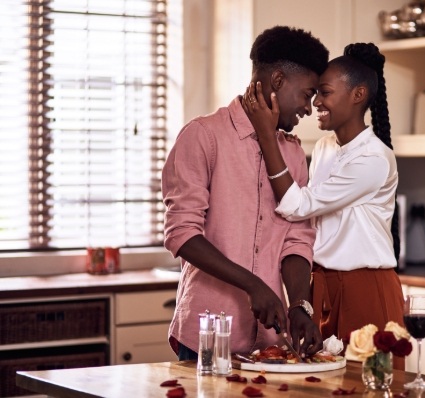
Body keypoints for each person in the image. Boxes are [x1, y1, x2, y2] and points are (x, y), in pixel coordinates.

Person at [161, 25, 329, 360]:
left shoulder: (293, 153)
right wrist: (253, 285)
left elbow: (297, 238)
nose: (309, 108)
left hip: (270, 341)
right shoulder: (203, 136)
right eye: (307, 94)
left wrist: (299, 304)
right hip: (205, 337)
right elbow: (181, 233)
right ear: (278, 81)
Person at [243, 42, 405, 367]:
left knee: (370, 385)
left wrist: (265, 134)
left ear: (357, 95)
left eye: (326, 92)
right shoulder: (324, 147)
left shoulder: (374, 159)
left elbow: (296, 206)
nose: (316, 101)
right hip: (322, 288)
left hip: (365, 289)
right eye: (316, 92)